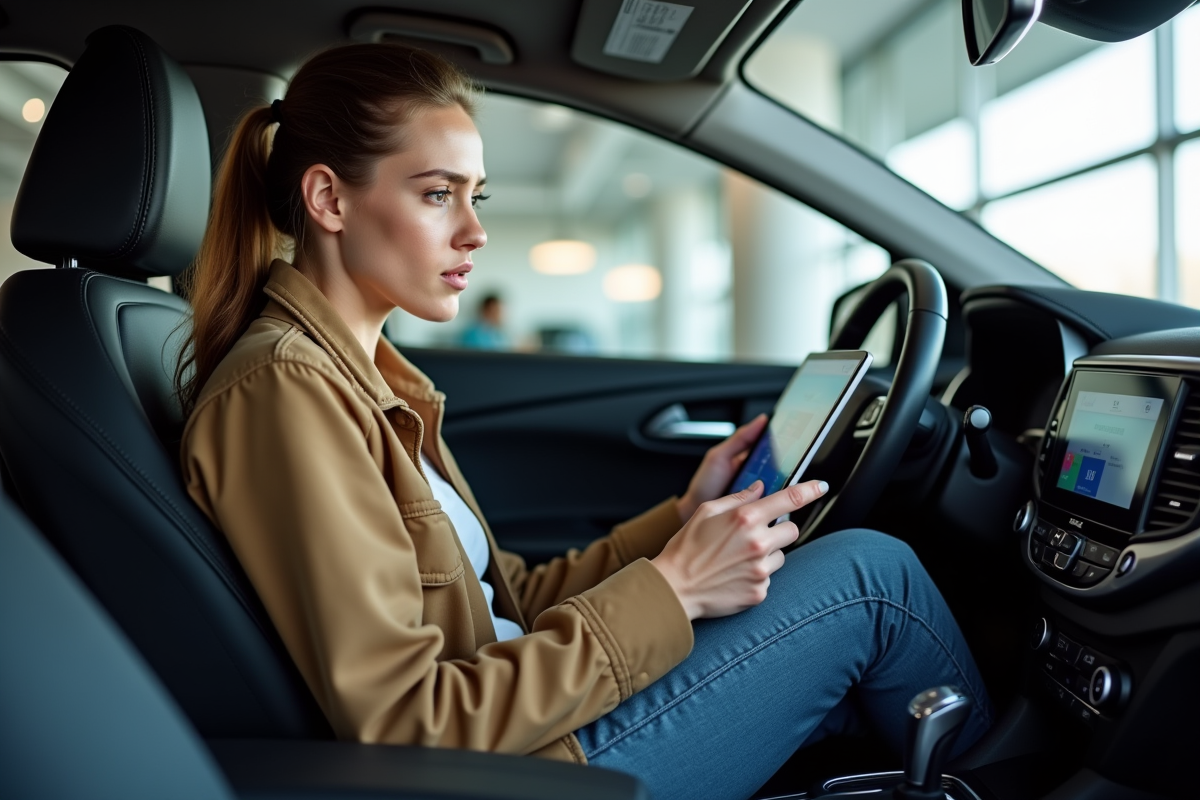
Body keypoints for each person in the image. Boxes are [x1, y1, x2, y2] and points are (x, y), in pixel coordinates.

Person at [176, 44, 991, 800]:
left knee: (857, 703)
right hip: (522, 769)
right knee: (870, 581)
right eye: (437, 194)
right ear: (329, 199)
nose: (475, 230)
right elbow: (407, 721)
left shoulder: (362, 379)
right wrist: (675, 589)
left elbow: (509, 602)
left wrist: (678, 522)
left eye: (476, 195)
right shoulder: (285, 392)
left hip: (528, 723)